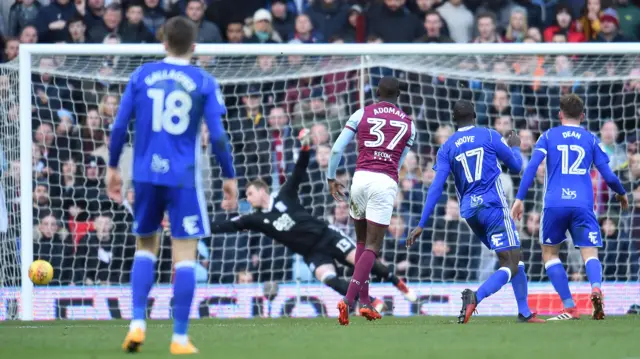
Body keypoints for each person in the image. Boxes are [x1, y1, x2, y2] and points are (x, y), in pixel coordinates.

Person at [107, 16, 237, 354]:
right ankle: (179, 337)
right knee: (184, 255)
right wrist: (229, 176)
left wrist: (112, 167)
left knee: (145, 246)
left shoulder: (142, 75)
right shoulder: (203, 81)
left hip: (146, 176)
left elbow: (119, 127)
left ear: (163, 43)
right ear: (194, 47)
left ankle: (137, 323)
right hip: (183, 178)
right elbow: (219, 137)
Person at [211, 129, 417, 312]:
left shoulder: (285, 195)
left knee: (364, 262)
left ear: (262, 190)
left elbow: (299, 170)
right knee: (328, 279)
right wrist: (204, 227)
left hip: (327, 235)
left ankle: (397, 283)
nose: (248, 198)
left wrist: (306, 147)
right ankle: (373, 302)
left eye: (249, 193)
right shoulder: (255, 219)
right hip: (311, 253)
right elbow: (232, 225)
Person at [406, 100, 545, 325]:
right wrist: (516, 145)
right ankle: (476, 297)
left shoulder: (447, 147)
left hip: (470, 213)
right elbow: (517, 166)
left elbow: (436, 187)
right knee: (512, 261)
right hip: (493, 207)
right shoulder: (489, 136)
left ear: (454, 119)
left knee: (511, 260)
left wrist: (422, 223)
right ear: (474, 115)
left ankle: (525, 312)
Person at [511, 94, 628, 321]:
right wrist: (621, 193)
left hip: (554, 203)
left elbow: (532, 167)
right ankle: (595, 288)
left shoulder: (548, 136)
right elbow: (609, 175)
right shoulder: (590, 139)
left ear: (559, 114)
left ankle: (570, 306)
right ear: (582, 116)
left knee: (550, 253)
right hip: (583, 204)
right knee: (589, 252)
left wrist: (519, 198)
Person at [327, 76, 415, 325]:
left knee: (362, 242)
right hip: (384, 181)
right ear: (398, 95)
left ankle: (364, 303)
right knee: (373, 248)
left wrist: (330, 178)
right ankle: (349, 299)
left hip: (360, 178)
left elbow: (335, 149)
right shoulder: (409, 124)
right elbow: (399, 163)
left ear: (377, 92)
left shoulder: (361, 113)